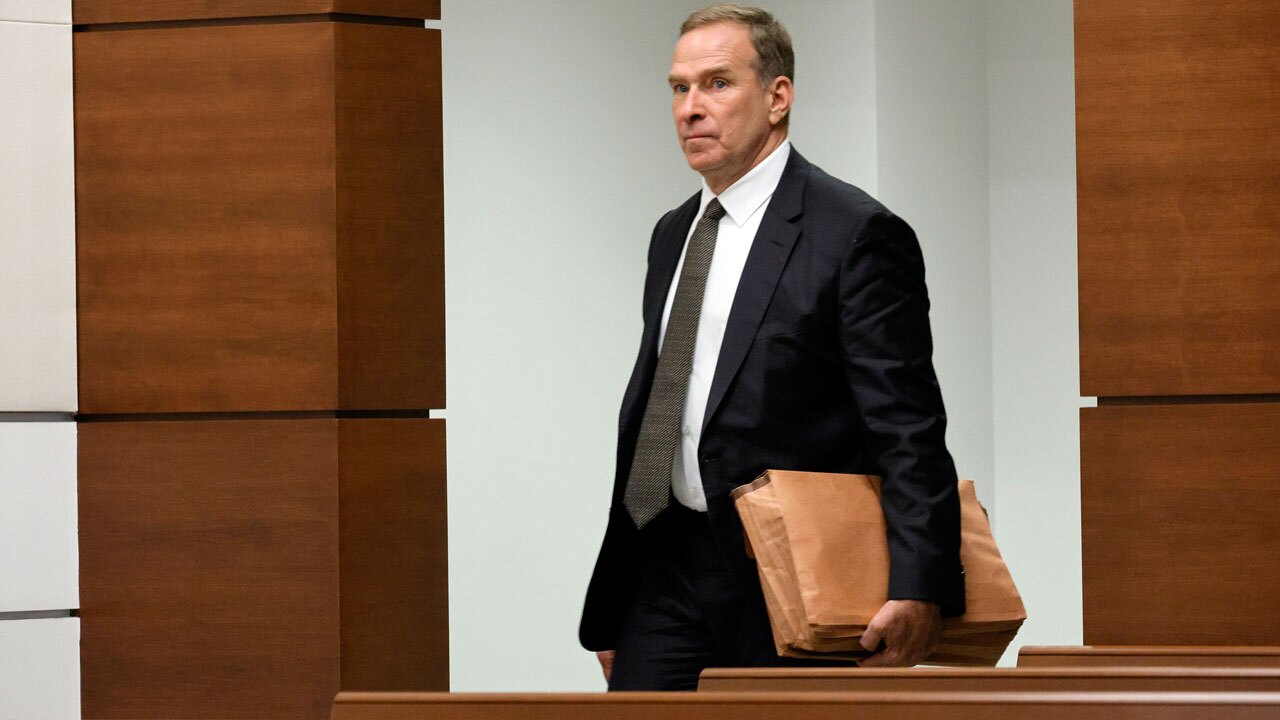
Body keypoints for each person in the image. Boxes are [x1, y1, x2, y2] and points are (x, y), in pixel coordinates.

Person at [579, 4, 965, 691]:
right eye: (679, 88)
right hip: (666, 567)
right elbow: (664, 404)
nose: (691, 108)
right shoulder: (674, 233)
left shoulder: (855, 234)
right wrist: (620, 605)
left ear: (778, 97)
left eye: (717, 84)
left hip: (792, 573)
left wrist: (919, 584)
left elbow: (906, 425)